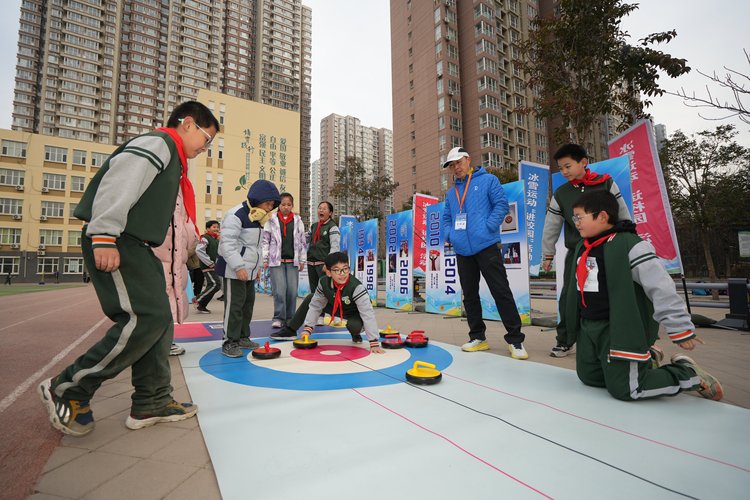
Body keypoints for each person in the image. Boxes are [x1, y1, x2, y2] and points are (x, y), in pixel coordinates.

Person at [38, 101, 218, 437]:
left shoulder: (175, 160)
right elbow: (120, 181)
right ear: (188, 124)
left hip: (139, 245)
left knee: (159, 318)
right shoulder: (158, 144)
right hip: (120, 239)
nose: (205, 149)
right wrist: (104, 234)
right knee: (144, 317)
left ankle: (152, 400)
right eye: (206, 140)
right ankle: (67, 388)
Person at [566, 190, 722, 401]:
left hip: (618, 329)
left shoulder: (631, 246)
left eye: (579, 217)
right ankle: (646, 361)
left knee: (627, 390)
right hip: (589, 327)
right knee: (590, 377)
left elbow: (660, 286)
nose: (575, 222)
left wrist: (679, 326)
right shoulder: (582, 248)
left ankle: (687, 374)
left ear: (602, 216)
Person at [541, 143, 631, 358]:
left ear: (583, 162)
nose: (564, 172)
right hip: (578, 252)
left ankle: (618, 339)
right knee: (569, 298)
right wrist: (547, 254)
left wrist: (628, 242)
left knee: (613, 294)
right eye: (561, 168)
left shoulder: (606, 183)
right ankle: (564, 340)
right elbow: (551, 225)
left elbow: (623, 214)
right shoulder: (562, 193)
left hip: (609, 250)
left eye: (568, 166)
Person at [441, 147, 527, 359]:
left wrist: (487, 227)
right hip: (462, 250)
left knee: (501, 291)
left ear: (468, 160)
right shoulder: (451, 193)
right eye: (452, 165)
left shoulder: (488, 180)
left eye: (459, 162)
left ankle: (515, 340)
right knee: (469, 295)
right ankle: (478, 337)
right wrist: (450, 235)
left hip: (487, 245)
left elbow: (501, 205)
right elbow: (446, 218)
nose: (456, 168)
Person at [271, 252, 385, 353]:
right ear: (329, 272)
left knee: (354, 325)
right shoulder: (324, 282)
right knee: (311, 298)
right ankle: (291, 329)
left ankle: (355, 334)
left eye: (345, 268)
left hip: (354, 313)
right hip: (335, 308)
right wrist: (308, 328)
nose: (342, 273)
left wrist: (373, 342)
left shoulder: (357, 287)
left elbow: (368, 313)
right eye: (337, 270)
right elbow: (316, 305)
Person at [217, 179, 280, 357]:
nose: (270, 207)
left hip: (249, 271)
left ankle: (243, 337)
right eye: (268, 203)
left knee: (247, 305)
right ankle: (229, 341)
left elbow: (257, 247)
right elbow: (227, 245)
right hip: (233, 270)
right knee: (234, 306)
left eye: (272, 205)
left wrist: (257, 268)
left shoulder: (258, 217)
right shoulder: (236, 214)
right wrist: (238, 267)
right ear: (258, 198)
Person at [152, 168, 201, 358]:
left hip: (175, 261)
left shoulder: (183, 195)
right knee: (161, 301)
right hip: (161, 258)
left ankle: (165, 341)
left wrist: (192, 239)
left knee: (171, 300)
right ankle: (157, 343)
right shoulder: (160, 195)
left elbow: (188, 231)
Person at [262, 192, 307, 329]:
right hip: (276, 261)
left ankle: (290, 318)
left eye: (289, 204)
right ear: (278, 205)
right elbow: (265, 240)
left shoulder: (298, 220)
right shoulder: (271, 220)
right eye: (283, 204)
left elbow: (302, 241)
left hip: (292, 261)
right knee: (279, 291)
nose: (286, 207)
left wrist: (302, 260)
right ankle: (278, 317)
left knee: (292, 291)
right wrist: (265, 258)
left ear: (292, 205)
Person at [306, 201, 340, 294]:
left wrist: (328, 264)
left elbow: (335, 247)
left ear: (330, 213)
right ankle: (315, 309)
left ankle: (327, 309)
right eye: (320, 208)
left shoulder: (332, 227)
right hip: (311, 263)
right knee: (314, 292)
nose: (321, 210)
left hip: (323, 265)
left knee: (325, 291)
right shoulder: (314, 226)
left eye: (324, 209)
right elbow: (304, 240)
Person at [195, 220, 221, 313]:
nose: (216, 229)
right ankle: (198, 300)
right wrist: (209, 262)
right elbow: (199, 250)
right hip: (208, 265)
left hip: (214, 266)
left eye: (217, 227)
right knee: (215, 284)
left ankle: (201, 305)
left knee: (214, 284)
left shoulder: (215, 239)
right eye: (214, 227)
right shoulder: (205, 238)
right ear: (208, 228)